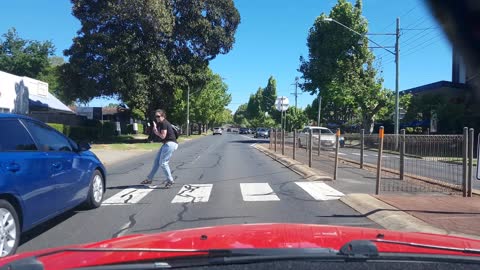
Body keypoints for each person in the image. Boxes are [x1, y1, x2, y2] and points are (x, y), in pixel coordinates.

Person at [141, 109, 178, 187]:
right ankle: (149, 179)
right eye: (156, 116)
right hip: (166, 144)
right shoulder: (161, 123)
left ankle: (170, 180)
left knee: (163, 163)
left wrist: (156, 132)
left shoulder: (164, 123)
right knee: (157, 161)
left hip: (170, 144)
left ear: (163, 116)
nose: (156, 118)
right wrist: (155, 128)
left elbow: (163, 136)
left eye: (158, 116)